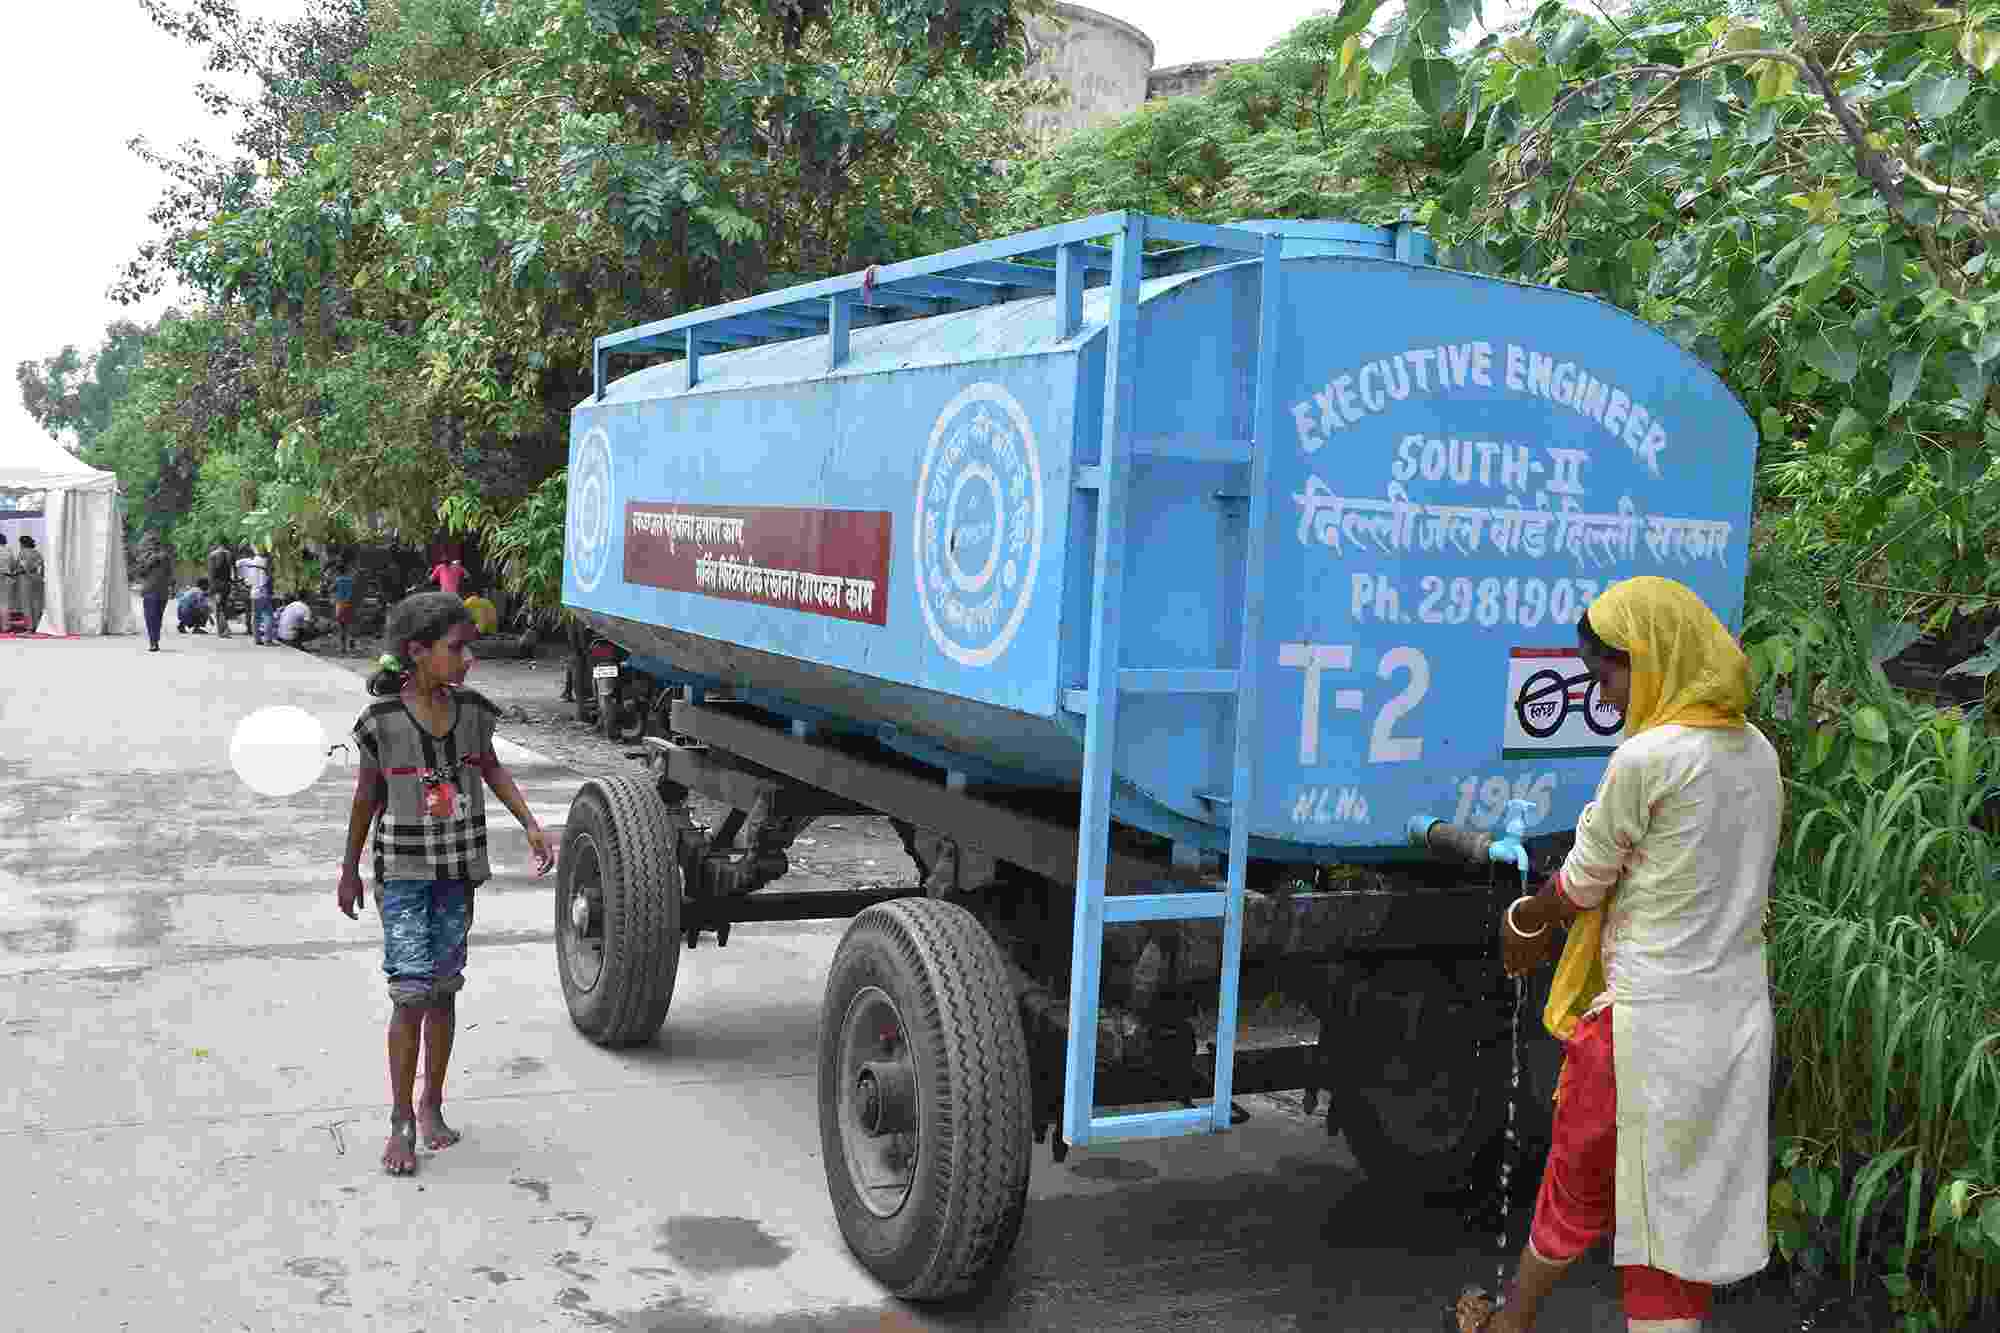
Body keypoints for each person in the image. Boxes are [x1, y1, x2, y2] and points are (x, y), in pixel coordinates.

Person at [1457, 576, 1781, 1333]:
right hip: (1732, 1031)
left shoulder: (1649, 758)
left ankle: (1509, 1323)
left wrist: (1524, 920)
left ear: (1652, 657)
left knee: (1575, 1187)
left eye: (1606, 670)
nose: (1600, 692)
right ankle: (1515, 1319)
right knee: (1675, 1220)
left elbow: (1579, 884)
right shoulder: (1759, 755)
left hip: (1641, 1031)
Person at [336, 592, 554, 1177]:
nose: (468, 659)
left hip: (456, 876)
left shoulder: (474, 714)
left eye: (469, 648)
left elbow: (491, 768)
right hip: (403, 877)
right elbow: (366, 798)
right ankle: (402, 1118)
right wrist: (349, 868)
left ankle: (433, 1102)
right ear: (417, 652)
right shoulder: (380, 724)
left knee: (444, 990)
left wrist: (531, 825)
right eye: (456, 648)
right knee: (410, 994)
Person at [137, 533, 174, 652]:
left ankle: (154, 641)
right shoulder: (165, 556)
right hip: (160, 591)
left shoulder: (151, 557)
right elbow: (170, 574)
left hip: (152, 591)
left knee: (151, 617)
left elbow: (141, 572)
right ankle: (154, 640)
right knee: (156, 617)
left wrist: (149, 561)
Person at [237, 545, 274, 645]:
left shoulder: (249, 562)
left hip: (254, 592)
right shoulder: (265, 561)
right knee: (268, 616)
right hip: (264, 592)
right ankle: (267, 639)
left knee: (255, 616)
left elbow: (238, 564)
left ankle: (256, 639)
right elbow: (269, 576)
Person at [207, 540, 236, 637]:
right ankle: (223, 630)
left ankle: (224, 630)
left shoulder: (212, 555)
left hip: (217, 585)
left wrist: (211, 587)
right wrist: (233, 583)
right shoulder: (230, 555)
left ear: (217, 545)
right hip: (227, 585)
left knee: (219, 608)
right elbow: (234, 572)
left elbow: (211, 573)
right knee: (223, 607)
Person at [17, 535, 44, 635]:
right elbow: (41, 566)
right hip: (37, 580)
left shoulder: (23, 553)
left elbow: (23, 566)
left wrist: (17, 571)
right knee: (36, 604)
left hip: (26, 580)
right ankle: (37, 626)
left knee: (26, 604)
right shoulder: (37, 553)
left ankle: (29, 628)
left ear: (22, 543)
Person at [331, 562, 358, 654]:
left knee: (341, 626)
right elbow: (354, 591)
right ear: (346, 571)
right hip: (350, 604)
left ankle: (343, 648)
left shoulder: (338, 580)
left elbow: (331, 589)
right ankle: (352, 641)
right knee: (350, 624)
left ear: (338, 571)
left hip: (340, 604)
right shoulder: (350, 580)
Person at [0, 534, 17, 634]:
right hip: (6, 578)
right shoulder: (8, 551)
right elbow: (14, 565)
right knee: (5, 604)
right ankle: (6, 627)